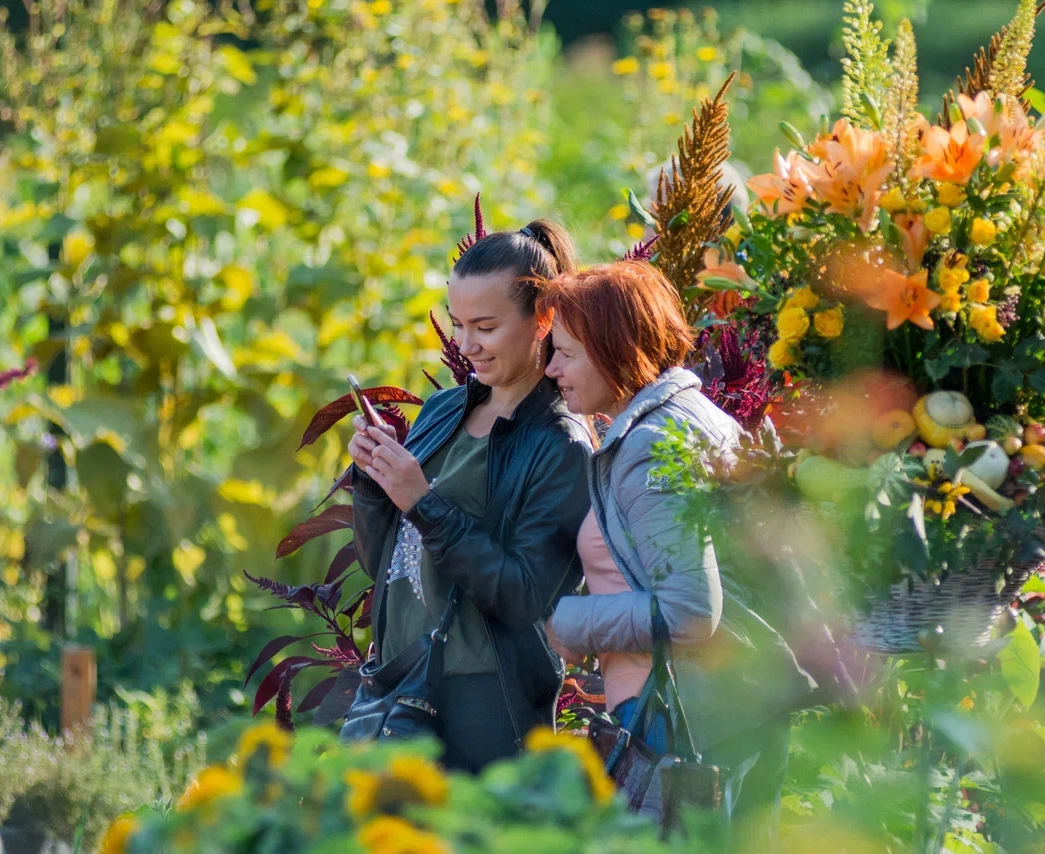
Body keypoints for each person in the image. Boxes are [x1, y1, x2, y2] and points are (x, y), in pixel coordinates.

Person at [539, 261, 814, 846]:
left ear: (615, 349)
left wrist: (570, 622)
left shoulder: (649, 445)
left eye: (565, 352)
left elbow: (690, 609)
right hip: (739, 706)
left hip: (694, 723)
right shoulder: (689, 417)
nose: (551, 368)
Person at [347, 219, 592, 773]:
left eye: (484, 326)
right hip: (399, 680)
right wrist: (372, 478)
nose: (466, 345)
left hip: (484, 704)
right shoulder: (444, 411)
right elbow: (383, 562)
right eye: (458, 325)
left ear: (543, 319)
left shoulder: (558, 444)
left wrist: (423, 502)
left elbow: (525, 597)